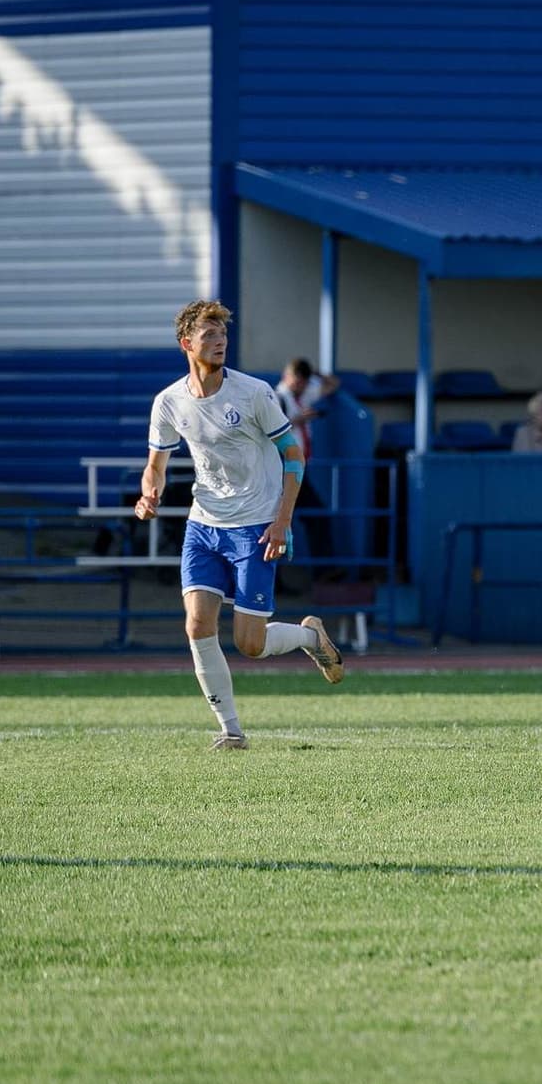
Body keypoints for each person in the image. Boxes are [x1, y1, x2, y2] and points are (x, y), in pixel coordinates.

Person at [138, 300, 348, 749]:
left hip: (256, 526)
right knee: (197, 625)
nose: (219, 343)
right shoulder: (169, 401)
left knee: (249, 644)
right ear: (186, 344)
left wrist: (282, 522)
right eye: (209, 336)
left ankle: (310, 635)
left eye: (223, 336)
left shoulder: (254, 393)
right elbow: (155, 463)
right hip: (204, 526)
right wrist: (149, 492)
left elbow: (294, 456)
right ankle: (231, 731)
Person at [276, 357, 340, 569]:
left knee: (313, 517)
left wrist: (316, 373)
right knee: (291, 521)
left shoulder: (303, 395)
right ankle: (325, 571)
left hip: (297, 469)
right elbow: (270, 432)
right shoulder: (278, 398)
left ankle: (325, 571)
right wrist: (298, 420)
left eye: (302, 381)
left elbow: (333, 385)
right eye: (295, 380)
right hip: (283, 470)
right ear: (287, 377)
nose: (298, 386)